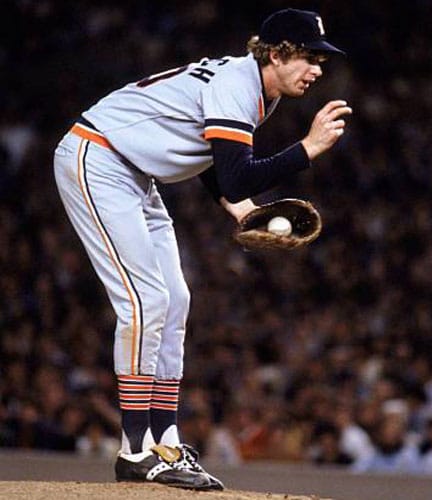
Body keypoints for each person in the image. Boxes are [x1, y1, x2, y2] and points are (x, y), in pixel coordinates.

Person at [53, 7, 351, 490]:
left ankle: (165, 439)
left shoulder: (256, 89)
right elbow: (236, 172)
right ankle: (133, 451)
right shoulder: (239, 84)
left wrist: (239, 208)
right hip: (98, 157)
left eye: (321, 59)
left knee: (177, 300)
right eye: (309, 57)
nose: (318, 69)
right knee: (144, 302)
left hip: (135, 173)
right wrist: (307, 150)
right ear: (276, 54)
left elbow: (218, 164)